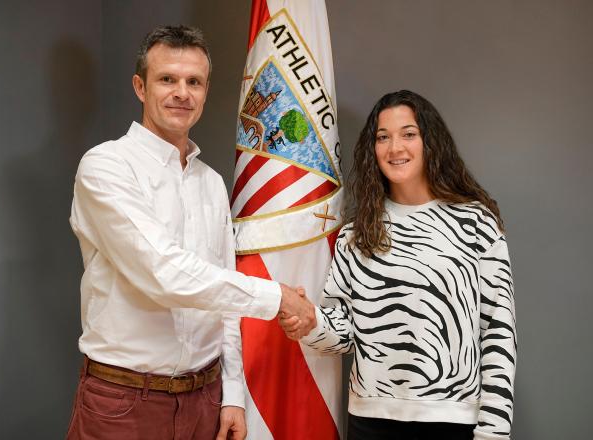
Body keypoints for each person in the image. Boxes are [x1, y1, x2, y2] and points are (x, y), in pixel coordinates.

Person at [66, 25, 314, 440]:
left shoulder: (211, 182)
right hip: (124, 403)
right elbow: (163, 272)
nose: (182, 92)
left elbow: (223, 298)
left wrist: (232, 393)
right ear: (140, 87)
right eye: (168, 79)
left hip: (205, 401)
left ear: (205, 91)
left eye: (193, 82)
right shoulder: (105, 166)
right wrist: (279, 297)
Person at [281, 90, 517, 439]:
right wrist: (310, 322)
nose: (395, 148)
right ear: (372, 149)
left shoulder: (476, 223)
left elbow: (498, 330)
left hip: (451, 420)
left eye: (409, 134)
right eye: (383, 137)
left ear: (430, 141)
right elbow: (344, 334)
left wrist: (494, 429)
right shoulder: (356, 233)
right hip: (370, 419)